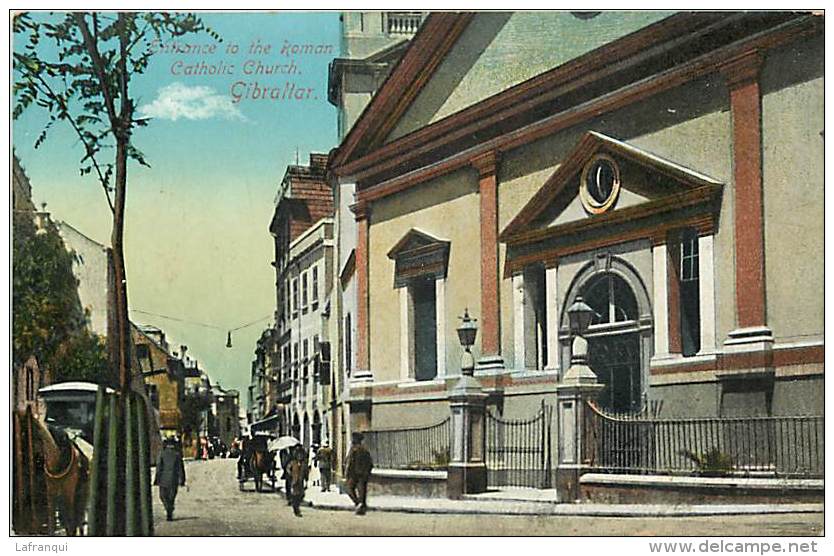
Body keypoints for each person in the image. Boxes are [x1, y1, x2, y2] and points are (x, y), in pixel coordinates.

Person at [154, 436, 186, 521]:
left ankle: (168, 508)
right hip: (173, 479)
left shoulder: (162, 454)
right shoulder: (177, 454)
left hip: (163, 479)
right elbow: (180, 468)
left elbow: (159, 467)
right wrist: (182, 480)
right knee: (171, 497)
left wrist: (157, 479)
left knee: (163, 496)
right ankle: (170, 510)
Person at [345, 432, 373, 515]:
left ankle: (359, 505)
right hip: (360, 474)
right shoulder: (364, 450)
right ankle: (360, 505)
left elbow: (350, 463)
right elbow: (370, 464)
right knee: (361, 491)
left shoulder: (355, 450)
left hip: (356, 474)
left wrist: (347, 473)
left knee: (351, 489)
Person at [286, 444, 309, 517]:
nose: (300, 457)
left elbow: (306, 472)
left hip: (301, 481)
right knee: (296, 495)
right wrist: (291, 475)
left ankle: (296, 506)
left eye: (301, 456)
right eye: (298, 456)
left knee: (301, 495)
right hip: (294, 481)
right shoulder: (293, 463)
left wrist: (306, 480)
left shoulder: (304, 464)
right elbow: (288, 469)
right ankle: (296, 510)